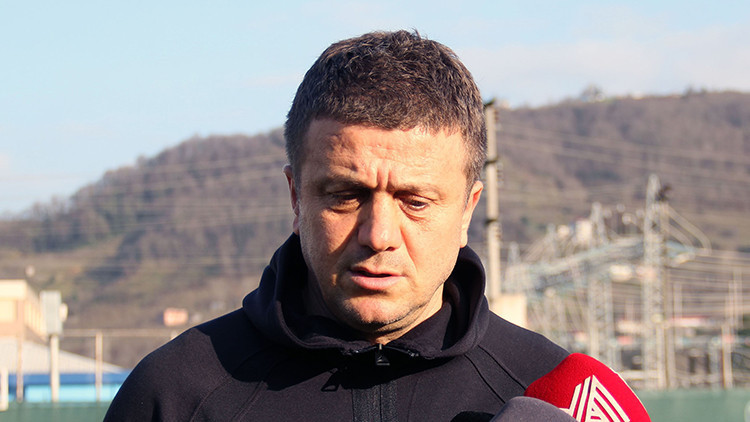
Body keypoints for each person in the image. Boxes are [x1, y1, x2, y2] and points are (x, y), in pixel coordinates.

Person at [105, 30, 568, 422]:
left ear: (467, 210)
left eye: (415, 202)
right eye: (346, 196)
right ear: (296, 196)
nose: (379, 236)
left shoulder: (554, 394)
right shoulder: (173, 396)